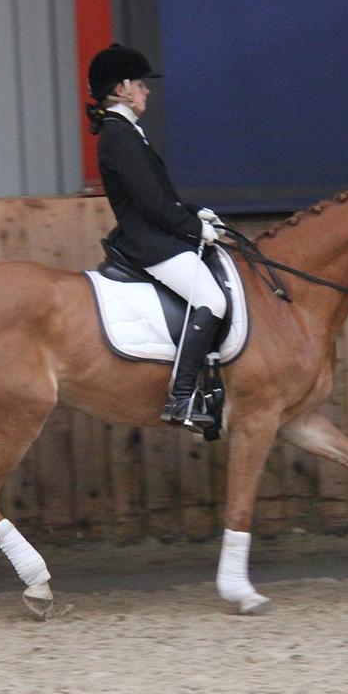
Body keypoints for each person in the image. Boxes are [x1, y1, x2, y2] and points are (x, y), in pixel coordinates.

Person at [85, 44, 225, 430]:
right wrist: (194, 228)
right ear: (122, 89)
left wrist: (195, 212)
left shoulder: (128, 131)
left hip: (158, 234)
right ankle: (182, 397)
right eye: (141, 84)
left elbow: (160, 195)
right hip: (149, 242)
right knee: (212, 300)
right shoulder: (118, 135)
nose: (147, 91)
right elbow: (150, 204)